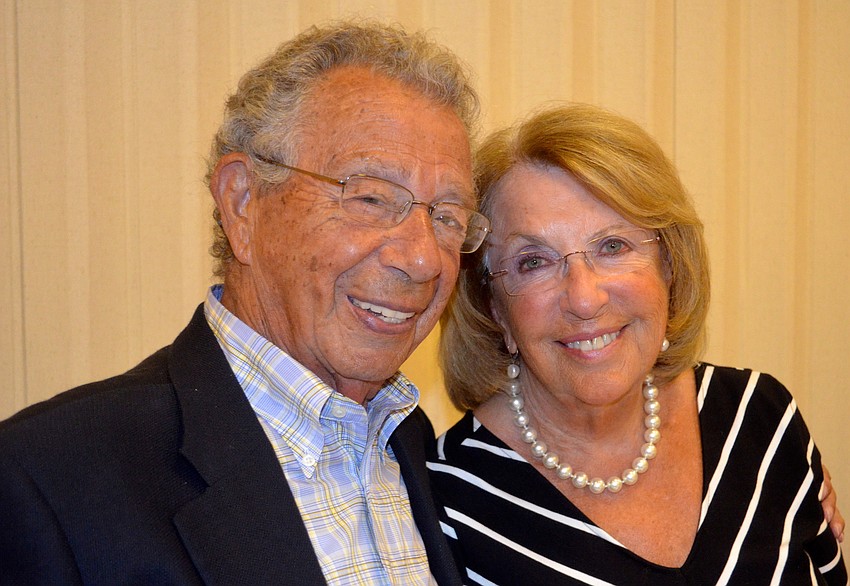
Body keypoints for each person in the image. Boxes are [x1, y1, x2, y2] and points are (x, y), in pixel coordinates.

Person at [0, 21, 490, 585]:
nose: (424, 258)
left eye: (448, 217)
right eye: (373, 198)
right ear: (242, 203)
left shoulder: (409, 441)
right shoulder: (50, 479)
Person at [428, 103, 847, 584]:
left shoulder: (761, 420)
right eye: (534, 262)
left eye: (613, 246)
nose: (584, 299)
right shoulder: (446, 501)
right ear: (495, 308)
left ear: (668, 265)